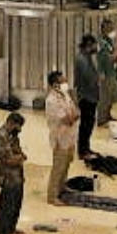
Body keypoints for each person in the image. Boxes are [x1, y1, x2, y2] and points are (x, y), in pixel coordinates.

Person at [43, 71, 79, 203]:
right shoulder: (51, 101)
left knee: (66, 165)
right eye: (62, 81)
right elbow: (67, 119)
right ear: (55, 85)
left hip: (70, 137)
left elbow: (75, 112)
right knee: (58, 167)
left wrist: (74, 115)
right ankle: (52, 196)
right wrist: (73, 116)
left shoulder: (66, 95)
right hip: (60, 139)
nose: (65, 83)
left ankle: (62, 187)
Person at [0, 103, 28, 234]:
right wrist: (20, 158)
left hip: (17, 175)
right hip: (7, 175)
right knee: (6, 206)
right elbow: (8, 159)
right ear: (10, 123)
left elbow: (18, 151)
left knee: (16, 204)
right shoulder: (1, 136)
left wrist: (20, 156)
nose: (19, 129)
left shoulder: (13, 135)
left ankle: (11, 228)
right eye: (17, 126)